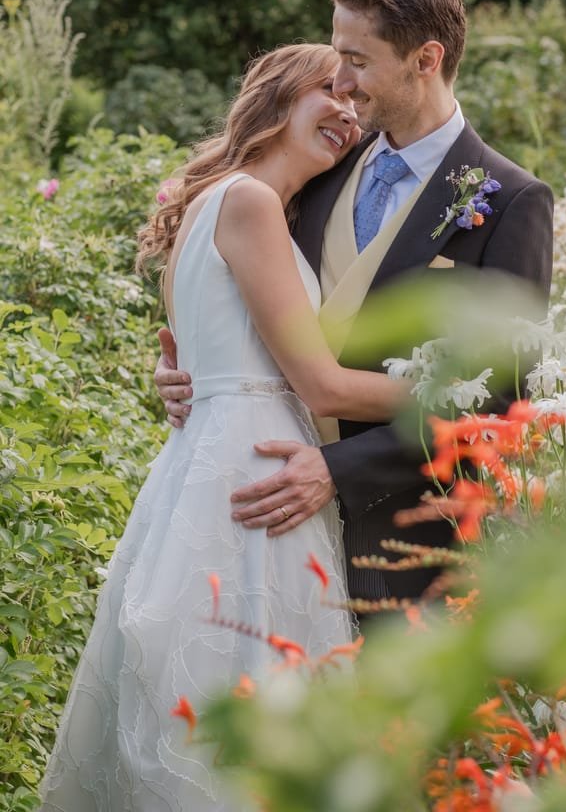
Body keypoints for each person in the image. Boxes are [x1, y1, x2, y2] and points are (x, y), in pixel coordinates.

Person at [39, 43, 408, 811]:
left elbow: (201, 355)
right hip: (255, 468)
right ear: (276, 99)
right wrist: (455, 391)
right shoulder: (249, 202)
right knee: (249, 693)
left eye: (352, 97)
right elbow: (319, 383)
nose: (346, 110)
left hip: (215, 458)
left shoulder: (227, 202)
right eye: (327, 92)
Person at [156, 0, 554, 602]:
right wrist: (189, 369)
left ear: (425, 60)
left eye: (358, 61)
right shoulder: (319, 165)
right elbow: (240, 283)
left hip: (400, 547)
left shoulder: (510, 201)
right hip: (257, 517)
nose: (340, 80)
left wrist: (338, 471)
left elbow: (500, 399)